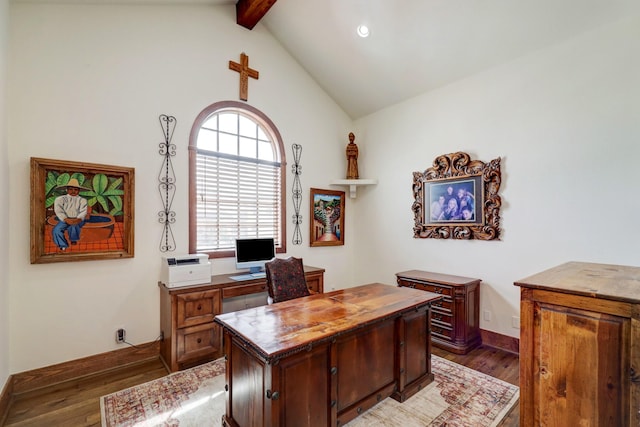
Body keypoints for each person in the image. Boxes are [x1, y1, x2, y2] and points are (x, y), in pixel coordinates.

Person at [52, 178, 89, 251]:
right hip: (64, 219)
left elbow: (83, 211)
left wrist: (78, 219)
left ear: (78, 190)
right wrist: (65, 219)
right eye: (71, 189)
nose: (73, 191)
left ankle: (73, 239)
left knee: (74, 226)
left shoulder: (83, 200)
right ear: (67, 190)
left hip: (78, 219)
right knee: (56, 230)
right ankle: (62, 245)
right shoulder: (60, 199)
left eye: (75, 189)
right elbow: (58, 211)